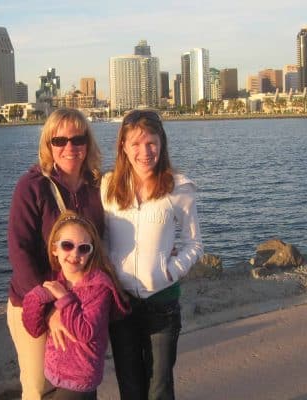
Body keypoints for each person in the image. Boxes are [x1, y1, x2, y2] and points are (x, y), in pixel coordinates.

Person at [101, 109, 203, 399]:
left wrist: (169, 271)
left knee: (159, 388)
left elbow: (195, 244)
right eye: (135, 143)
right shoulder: (108, 186)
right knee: (130, 388)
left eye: (151, 143)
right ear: (123, 146)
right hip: (121, 305)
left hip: (162, 304)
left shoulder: (179, 188)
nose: (144, 152)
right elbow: (105, 238)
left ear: (162, 143)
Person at [7, 108, 104, 399]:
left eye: (78, 139)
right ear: (48, 145)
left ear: (88, 143)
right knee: (38, 387)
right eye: (59, 140)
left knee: (79, 382)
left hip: (79, 304)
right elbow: (19, 250)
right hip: (34, 302)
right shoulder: (33, 187)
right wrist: (49, 310)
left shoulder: (98, 187)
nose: (69, 147)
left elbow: (113, 237)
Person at [22, 211, 129, 400]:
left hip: (80, 378)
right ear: (54, 248)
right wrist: (39, 297)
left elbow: (86, 332)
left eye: (83, 248)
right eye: (67, 245)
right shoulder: (56, 282)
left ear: (91, 252)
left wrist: (64, 299)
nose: (74, 254)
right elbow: (33, 328)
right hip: (53, 374)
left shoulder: (98, 288)